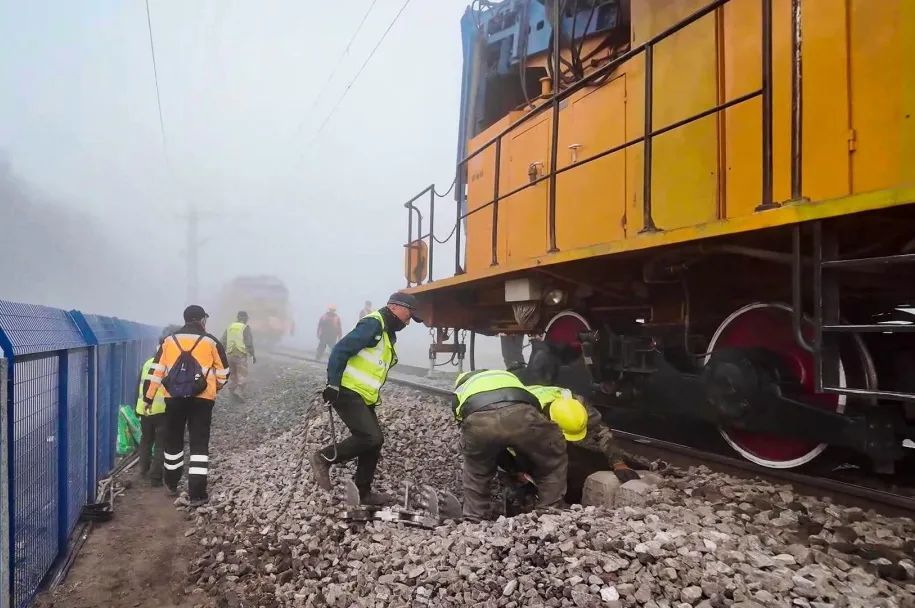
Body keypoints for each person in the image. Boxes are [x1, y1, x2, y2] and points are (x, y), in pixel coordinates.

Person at [310, 292, 422, 505]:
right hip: (346, 390)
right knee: (371, 437)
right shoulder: (374, 324)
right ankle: (323, 458)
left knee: (374, 442)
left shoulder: (386, 331)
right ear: (395, 307)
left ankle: (363, 493)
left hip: (362, 395)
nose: (408, 323)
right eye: (408, 316)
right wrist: (332, 384)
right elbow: (340, 350)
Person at [451, 369, 568, 522]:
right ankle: (549, 512)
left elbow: (462, 424)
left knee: (477, 472)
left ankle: (474, 518)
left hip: (479, 422)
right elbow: (535, 409)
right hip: (521, 414)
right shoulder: (507, 378)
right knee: (551, 462)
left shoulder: (461, 391)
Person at [144, 305, 230, 507]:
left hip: (174, 398)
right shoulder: (211, 341)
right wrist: (213, 388)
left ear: (185, 319)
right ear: (202, 320)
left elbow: (156, 372)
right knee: (199, 444)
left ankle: (171, 484)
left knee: (173, 441)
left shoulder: (169, 341)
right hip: (202, 400)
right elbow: (224, 373)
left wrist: (148, 398)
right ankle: (197, 494)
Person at [134, 326, 176, 486]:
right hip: (162, 411)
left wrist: (138, 407)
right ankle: (156, 477)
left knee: (146, 440)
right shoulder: (169, 365)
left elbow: (138, 386)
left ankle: (143, 470)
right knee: (160, 444)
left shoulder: (147, 363)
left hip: (144, 409)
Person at [221, 311, 256, 400]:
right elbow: (249, 342)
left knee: (233, 374)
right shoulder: (245, 328)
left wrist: (221, 353)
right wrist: (252, 354)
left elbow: (223, 340)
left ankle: (232, 390)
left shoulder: (230, 326)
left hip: (229, 354)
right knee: (242, 374)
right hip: (240, 355)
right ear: (245, 318)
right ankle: (239, 391)